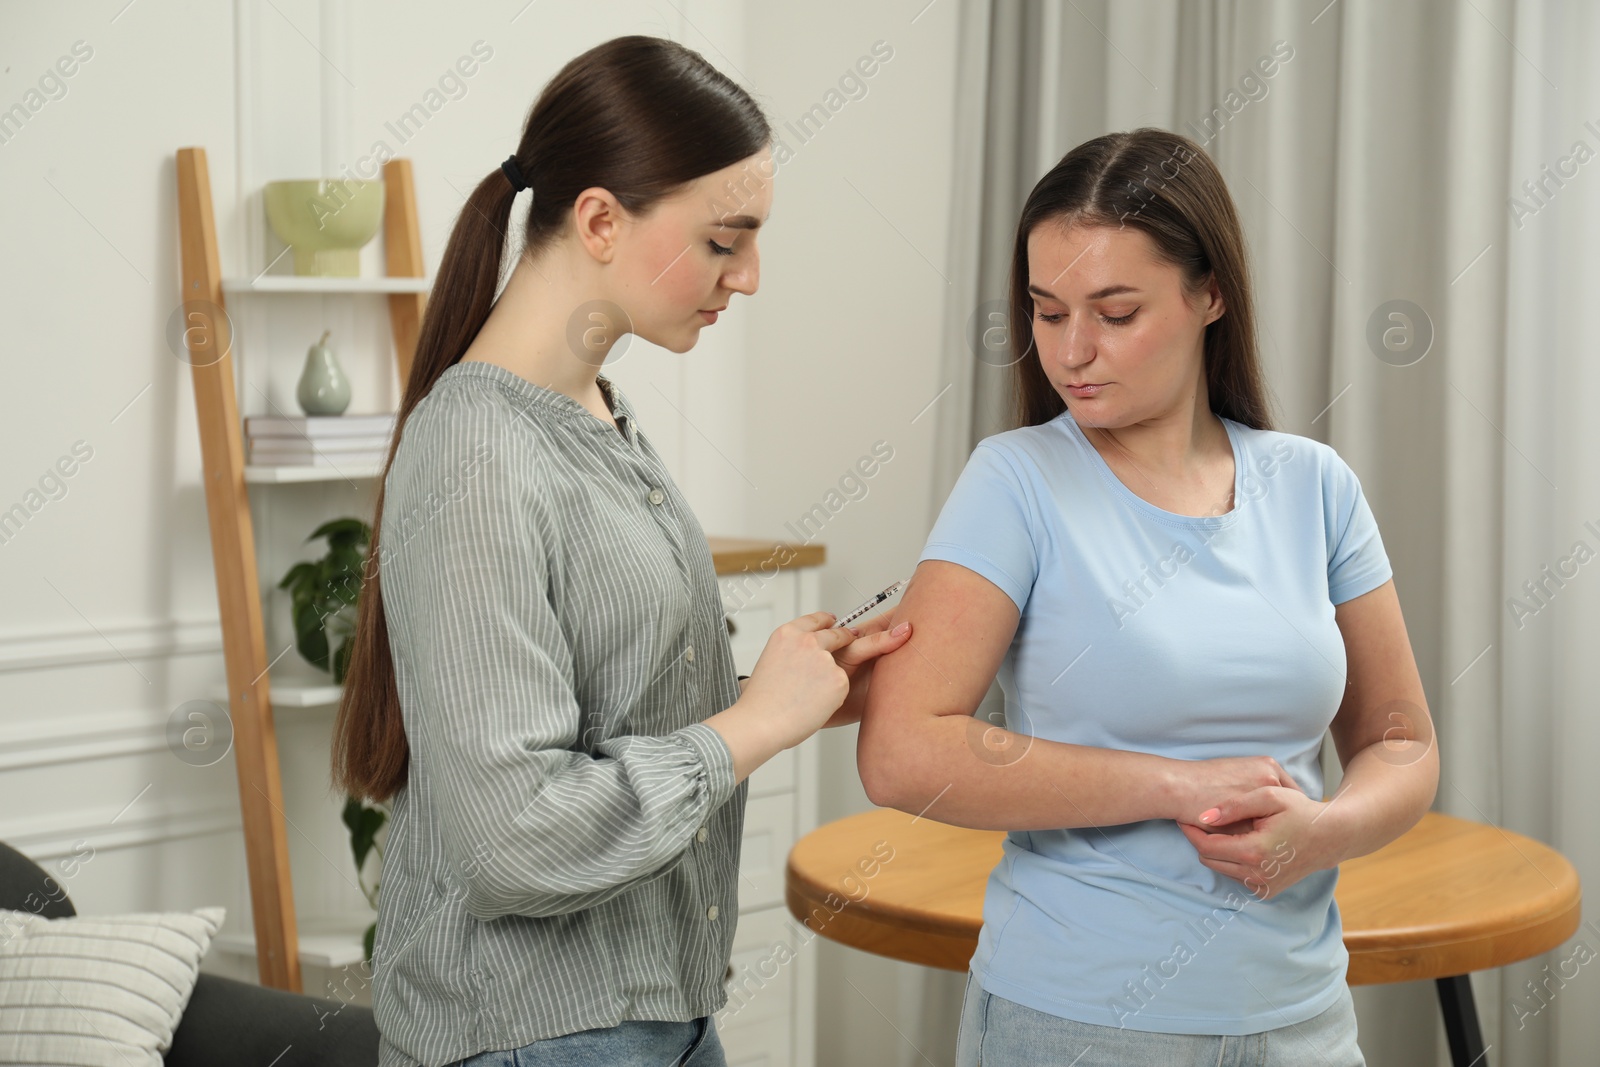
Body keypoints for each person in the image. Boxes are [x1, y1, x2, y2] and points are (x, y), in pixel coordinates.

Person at [331, 35, 911, 1067]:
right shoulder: (476, 450)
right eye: (726, 240)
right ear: (599, 219)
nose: (752, 276)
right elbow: (513, 833)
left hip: (656, 1020)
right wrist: (752, 724)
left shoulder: (595, 414)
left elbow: (592, 703)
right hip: (533, 1035)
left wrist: (793, 694)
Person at [856, 128, 1438, 1067]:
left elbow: (1400, 742)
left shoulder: (1314, 485)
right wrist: (1177, 784)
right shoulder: (1016, 481)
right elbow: (901, 751)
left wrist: (1321, 833)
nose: (1072, 351)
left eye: (1115, 312)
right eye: (1047, 314)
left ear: (1210, 294)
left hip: (1304, 1023)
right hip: (1079, 1023)